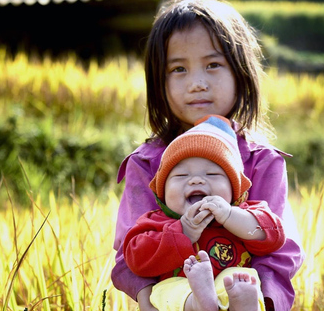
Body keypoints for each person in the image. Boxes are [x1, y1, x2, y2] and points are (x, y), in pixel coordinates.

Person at [111, 0, 304, 311]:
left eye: (213, 65)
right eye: (178, 69)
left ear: (241, 73)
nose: (197, 83)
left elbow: (281, 248)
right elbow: (129, 249)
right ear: (159, 81)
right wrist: (148, 301)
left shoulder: (262, 161)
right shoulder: (145, 164)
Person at [123, 114, 286, 311]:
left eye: (212, 174)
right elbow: (136, 259)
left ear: (234, 189)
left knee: (241, 280)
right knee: (164, 291)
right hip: (180, 284)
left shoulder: (244, 212)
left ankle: (243, 305)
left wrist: (230, 216)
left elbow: (273, 234)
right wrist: (183, 231)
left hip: (229, 284)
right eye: (182, 175)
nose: (196, 180)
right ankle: (198, 302)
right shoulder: (156, 221)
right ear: (162, 193)